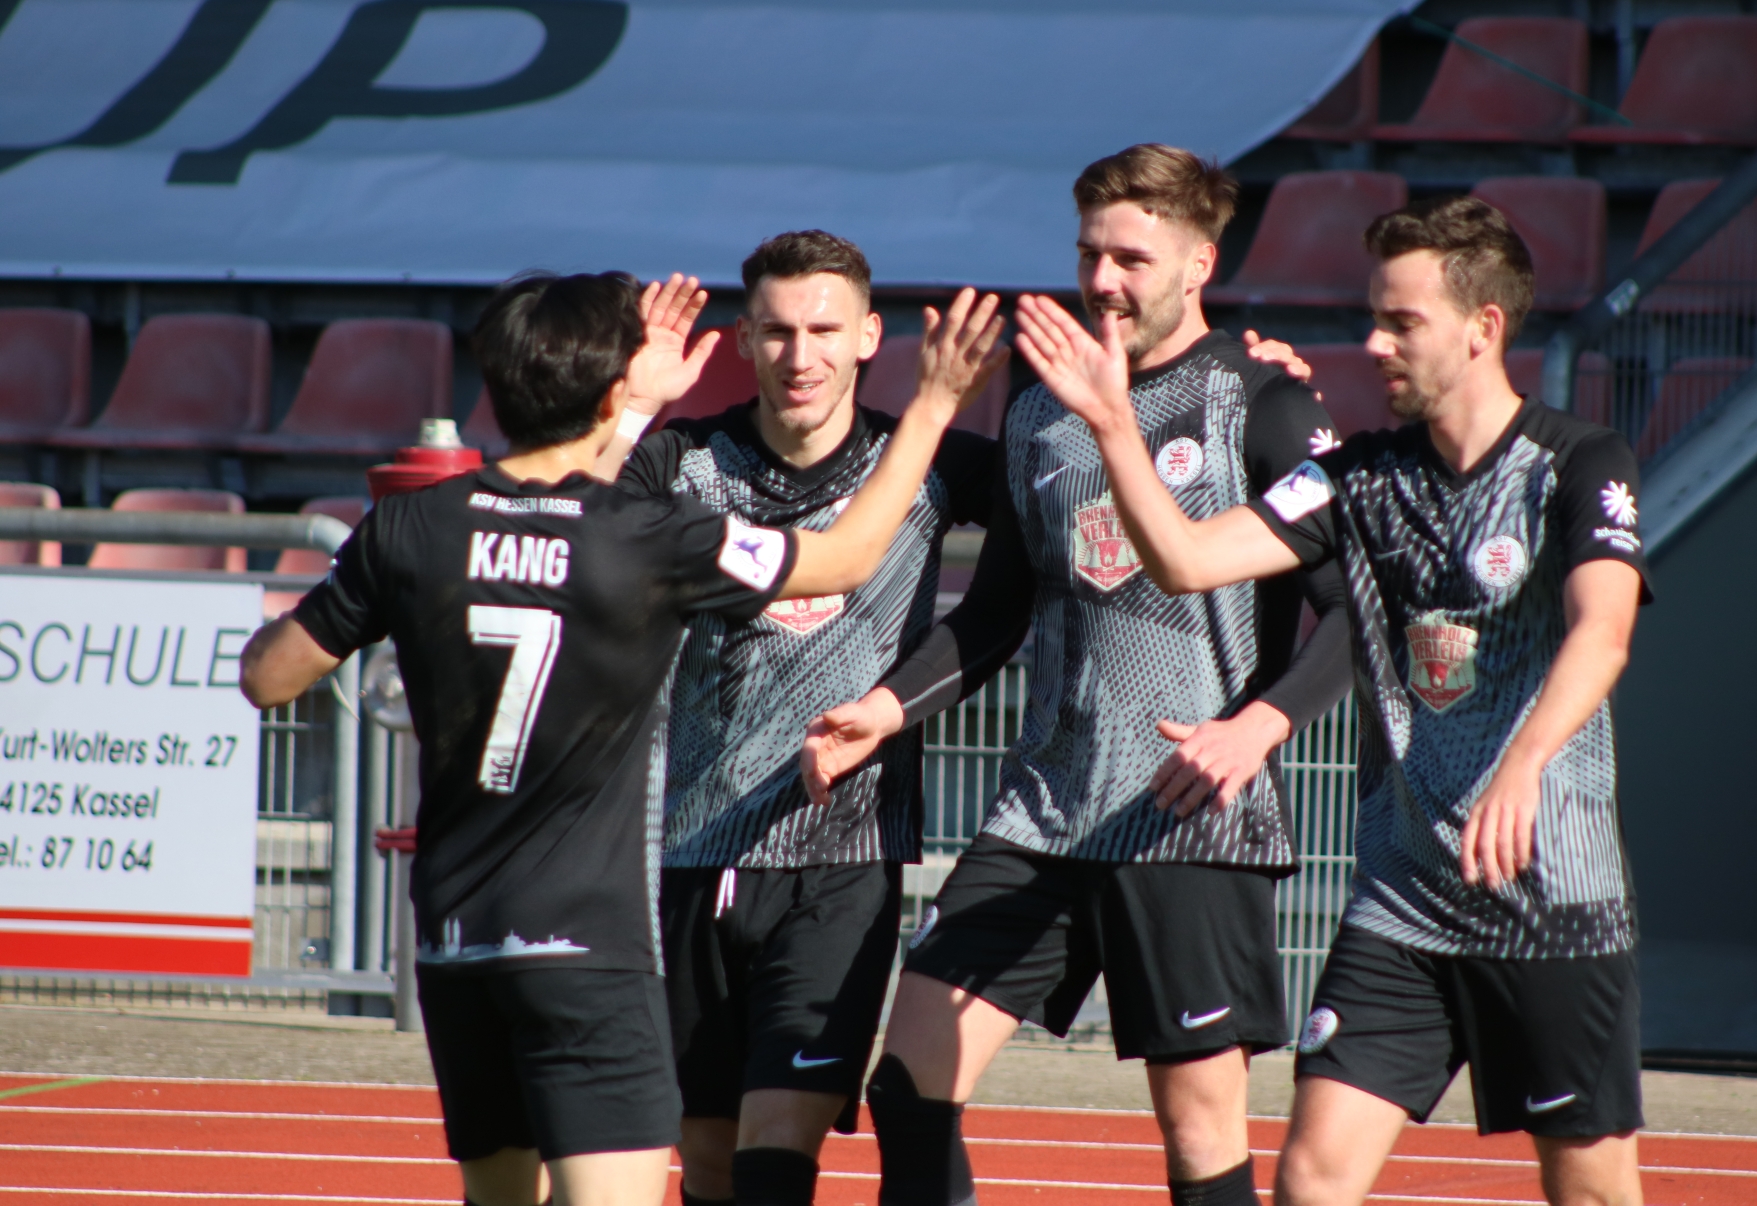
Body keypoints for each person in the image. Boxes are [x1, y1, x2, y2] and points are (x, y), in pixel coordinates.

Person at [239, 268, 1006, 1206]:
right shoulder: (647, 532)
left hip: (453, 939)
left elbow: (267, 677)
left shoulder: (408, 527)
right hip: (590, 938)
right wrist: (932, 405)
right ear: (611, 391)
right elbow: (845, 558)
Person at [1015, 194, 1649, 1206]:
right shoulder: (1354, 477)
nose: (1374, 342)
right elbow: (1186, 559)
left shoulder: (1578, 462)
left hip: (1552, 906)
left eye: (1402, 321)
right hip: (1402, 903)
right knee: (1310, 1178)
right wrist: (1114, 426)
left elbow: (1602, 630)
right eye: (1373, 316)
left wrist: (1523, 765)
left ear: (1482, 327)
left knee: (1591, 1188)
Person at [802, 144, 1352, 1206]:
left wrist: (1259, 726)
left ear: (1199, 263)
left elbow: (1357, 612)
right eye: (1089, 253)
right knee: (908, 1086)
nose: (1102, 280)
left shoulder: (1263, 401)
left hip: (1189, 818)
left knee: (1199, 1134)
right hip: (1043, 812)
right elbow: (996, 611)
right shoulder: (1039, 410)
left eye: (1131, 259)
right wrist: (884, 707)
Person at [592, 231, 998, 1206]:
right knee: (707, 1158)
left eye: (823, 330)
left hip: (842, 860)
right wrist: (634, 404)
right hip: (688, 856)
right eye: (776, 331)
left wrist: (1264, 396)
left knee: (779, 1144)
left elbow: (1071, 509)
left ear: (868, 336)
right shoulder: (684, 461)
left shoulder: (934, 460)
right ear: (742, 340)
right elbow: (567, 518)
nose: (800, 354)